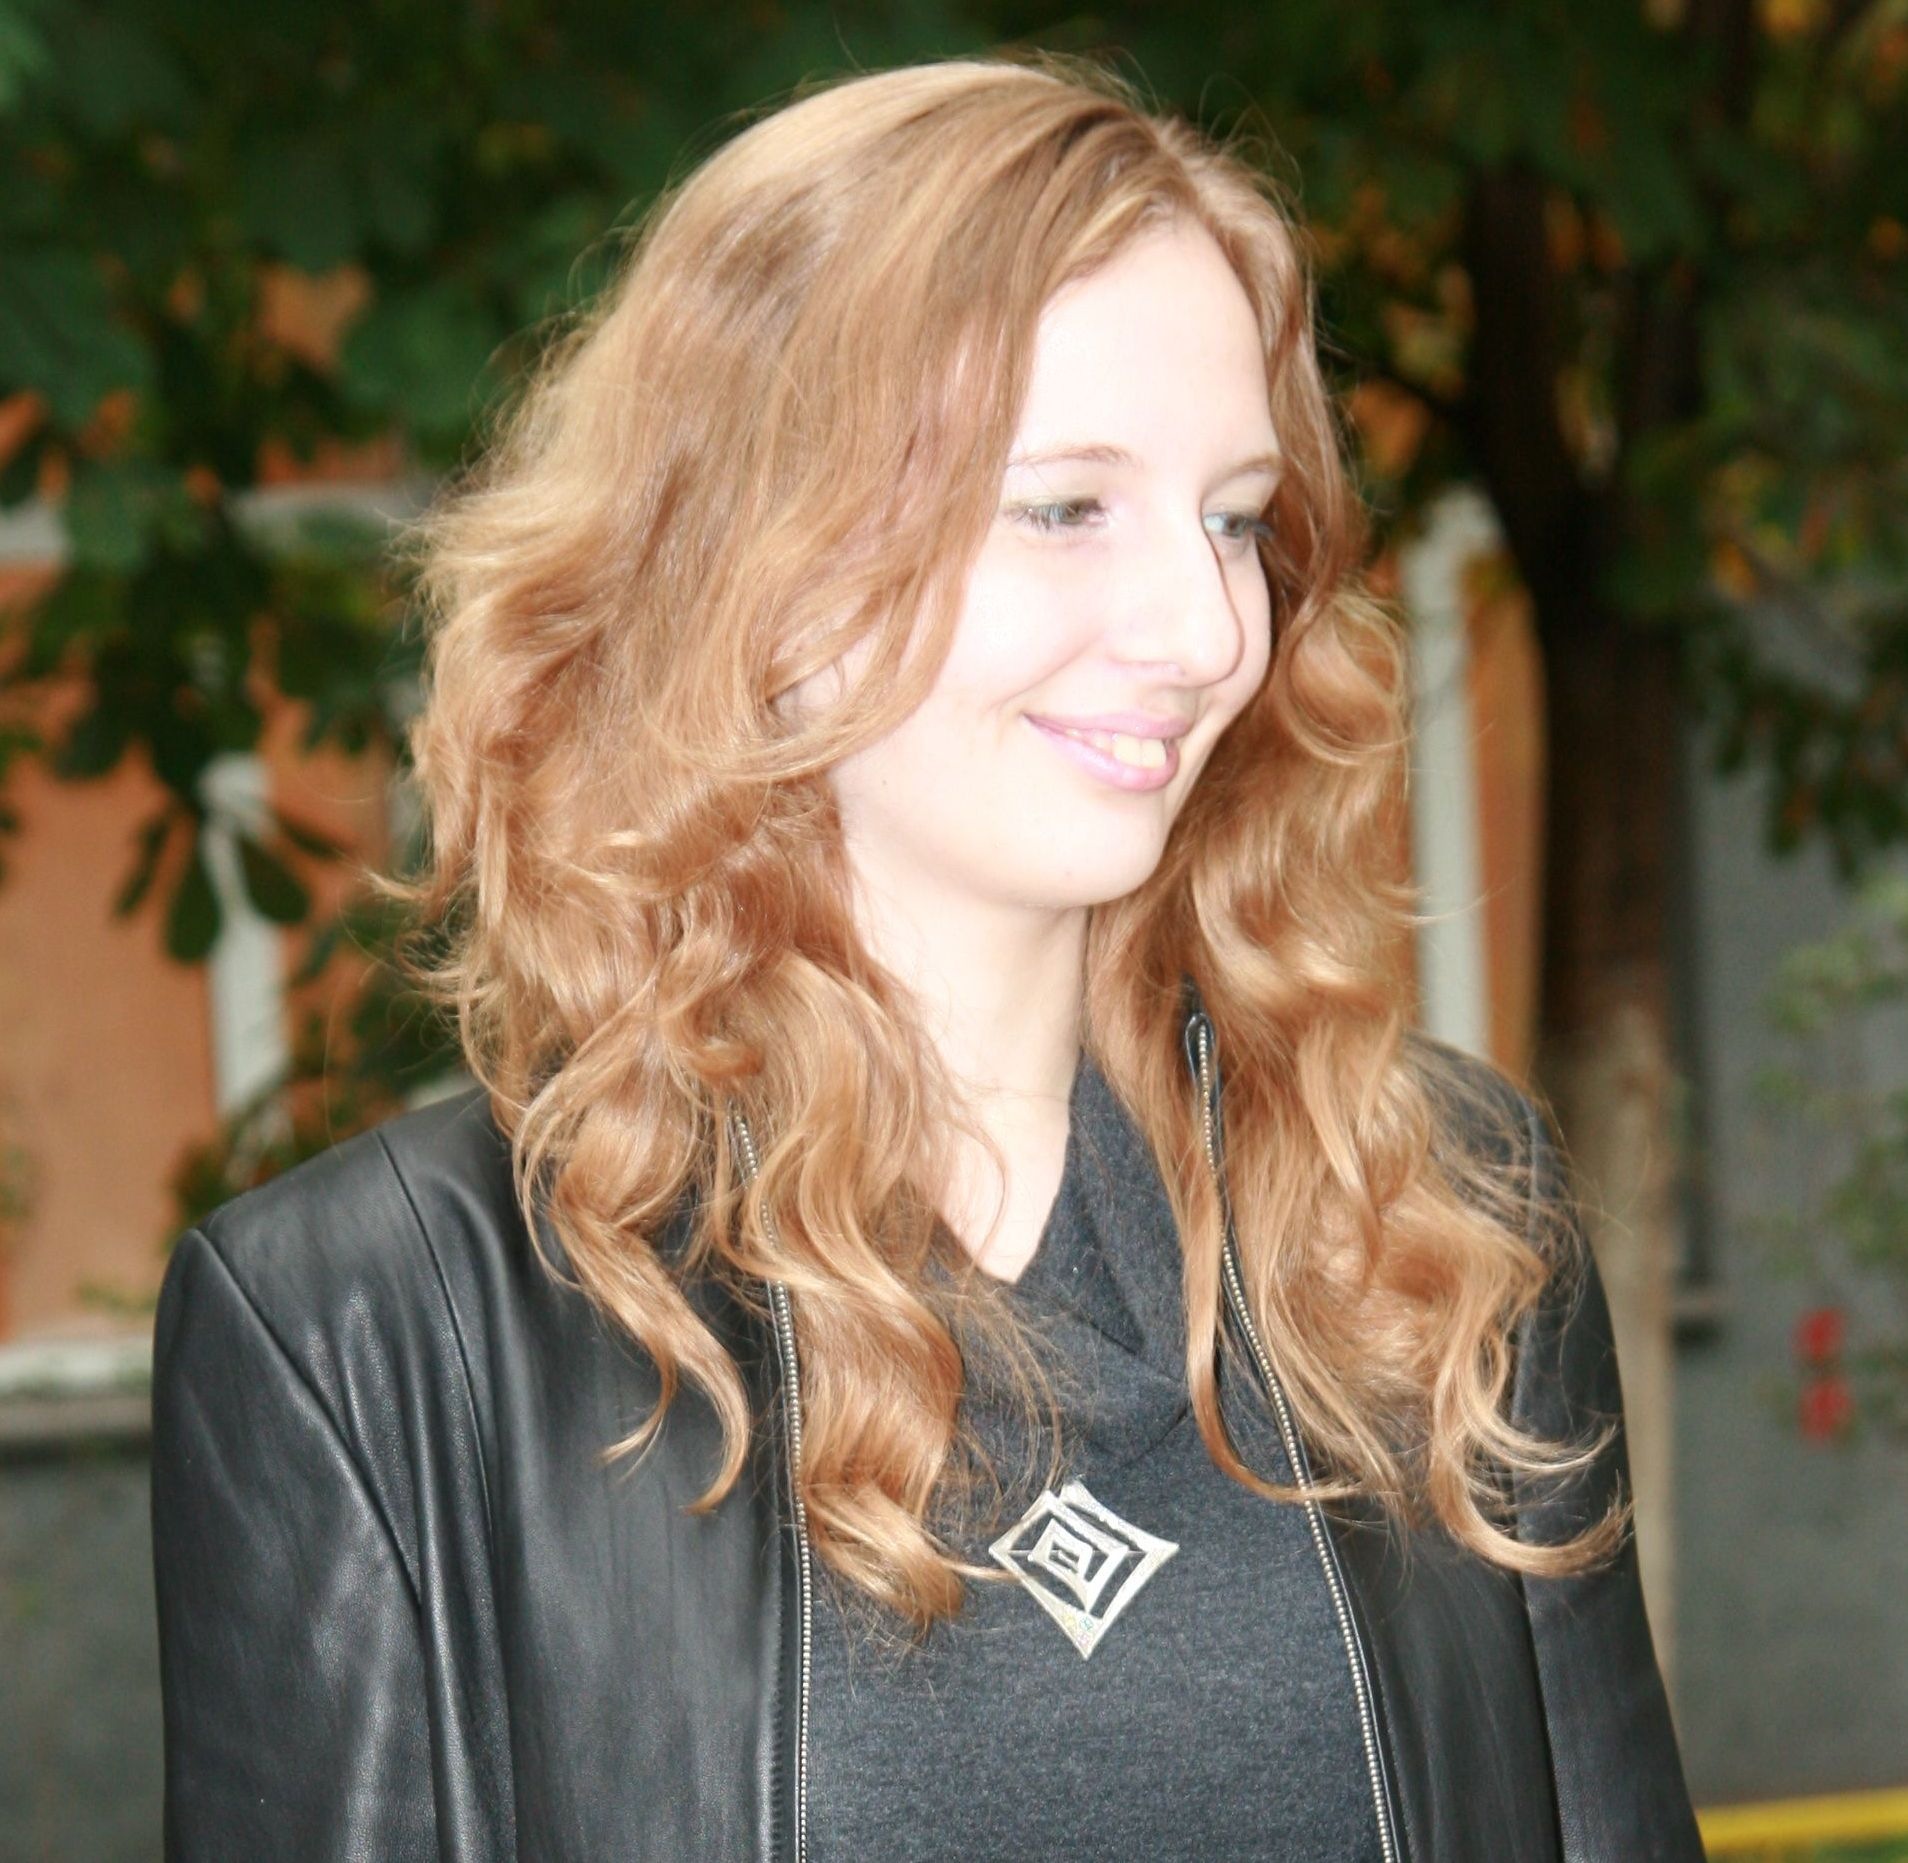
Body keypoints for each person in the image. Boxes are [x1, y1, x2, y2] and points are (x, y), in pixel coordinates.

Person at [148, 50, 1706, 1863]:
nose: (1207, 629)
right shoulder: (366, 1334)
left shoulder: (1435, 1224)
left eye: (1232, 519)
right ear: (759, 561)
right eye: (1066, 506)